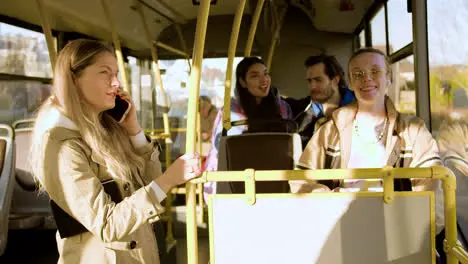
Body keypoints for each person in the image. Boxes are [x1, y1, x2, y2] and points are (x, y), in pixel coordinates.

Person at [29, 39, 201, 264]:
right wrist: (169, 180)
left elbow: (150, 183)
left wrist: (133, 130)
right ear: (74, 79)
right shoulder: (61, 147)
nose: (116, 82)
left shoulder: (106, 131)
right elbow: (107, 224)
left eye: (117, 73)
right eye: (104, 72)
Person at [290, 47, 445, 234]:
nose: (367, 79)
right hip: (342, 228)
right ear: (350, 83)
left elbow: (432, 187)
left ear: (389, 77)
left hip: (397, 231)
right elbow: (300, 180)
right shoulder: (329, 131)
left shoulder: (413, 130)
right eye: (358, 74)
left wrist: (416, 232)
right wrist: (332, 201)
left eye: (375, 71)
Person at [203, 56, 293, 197]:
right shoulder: (229, 112)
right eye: (254, 76)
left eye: (265, 73)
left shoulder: (282, 107)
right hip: (239, 175)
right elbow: (223, 149)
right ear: (242, 82)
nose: (264, 80)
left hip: (276, 174)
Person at [284, 55, 355, 148]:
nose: (312, 86)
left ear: (335, 80)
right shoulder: (301, 111)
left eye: (318, 80)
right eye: (309, 81)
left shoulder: (359, 108)